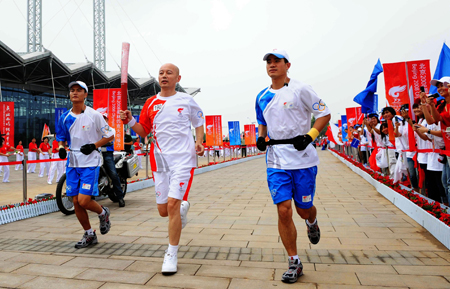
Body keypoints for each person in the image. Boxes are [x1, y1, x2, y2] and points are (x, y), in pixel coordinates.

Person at [120, 63, 205, 275]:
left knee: (173, 204)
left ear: (178, 78)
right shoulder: (151, 102)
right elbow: (144, 130)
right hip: (160, 161)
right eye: (161, 73)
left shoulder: (186, 100)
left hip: (183, 160)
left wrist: (200, 141)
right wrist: (130, 121)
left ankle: (172, 253)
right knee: (163, 210)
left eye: (169, 73)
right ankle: (182, 208)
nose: (164, 76)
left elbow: (198, 122)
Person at [255, 49, 331, 283]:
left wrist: (310, 136)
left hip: (303, 158)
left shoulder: (301, 89)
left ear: (288, 65)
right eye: (269, 61)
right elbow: (262, 121)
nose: (272, 65)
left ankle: (312, 220)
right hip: (276, 157)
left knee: (302, 209)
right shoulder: (262, 95)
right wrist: (261, 136)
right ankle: (294, 261)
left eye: (277, 61)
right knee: (283, 209)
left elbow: (324, 114)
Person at [56, 80, 114, 248]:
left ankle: (103, 213)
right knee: (75, 201)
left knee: (83, 200)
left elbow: (109, 135)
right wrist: (61, 148)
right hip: (73, 162)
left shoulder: (94, 115)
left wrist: (94, 145)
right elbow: (61, 138)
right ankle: (89, 234)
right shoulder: (65, 117)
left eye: (79, 90)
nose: (75, 93)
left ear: (85, 94)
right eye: (72, 90)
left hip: (90, 161)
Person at [97, 110, 125, 207]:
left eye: (104, 117)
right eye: (100, 118)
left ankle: (120, 197)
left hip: (107, 153)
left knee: (113, 173)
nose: (102, 119)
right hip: (95, 154)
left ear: (107, 119)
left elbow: (110, 138)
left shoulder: (109, 129)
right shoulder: (94, 130)